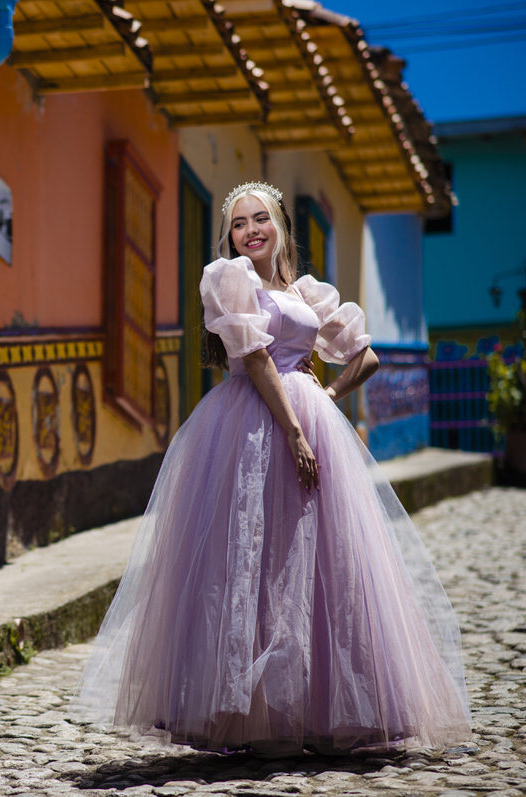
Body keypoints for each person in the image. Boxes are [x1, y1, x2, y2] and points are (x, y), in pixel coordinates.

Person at [73, 181, 470, 757]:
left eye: (260, 219)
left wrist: (327, 397)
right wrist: (293, 428)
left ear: (281, 224)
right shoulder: (229, 279)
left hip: (308, 419)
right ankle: (255, 712)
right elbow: (254, 357)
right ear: (229, 235)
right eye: (239, 223)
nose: (250, 230)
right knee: (248, 558)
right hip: (251, 425)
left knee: (316, 559)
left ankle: (315, 708)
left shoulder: (308, 292)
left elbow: (368, 355)